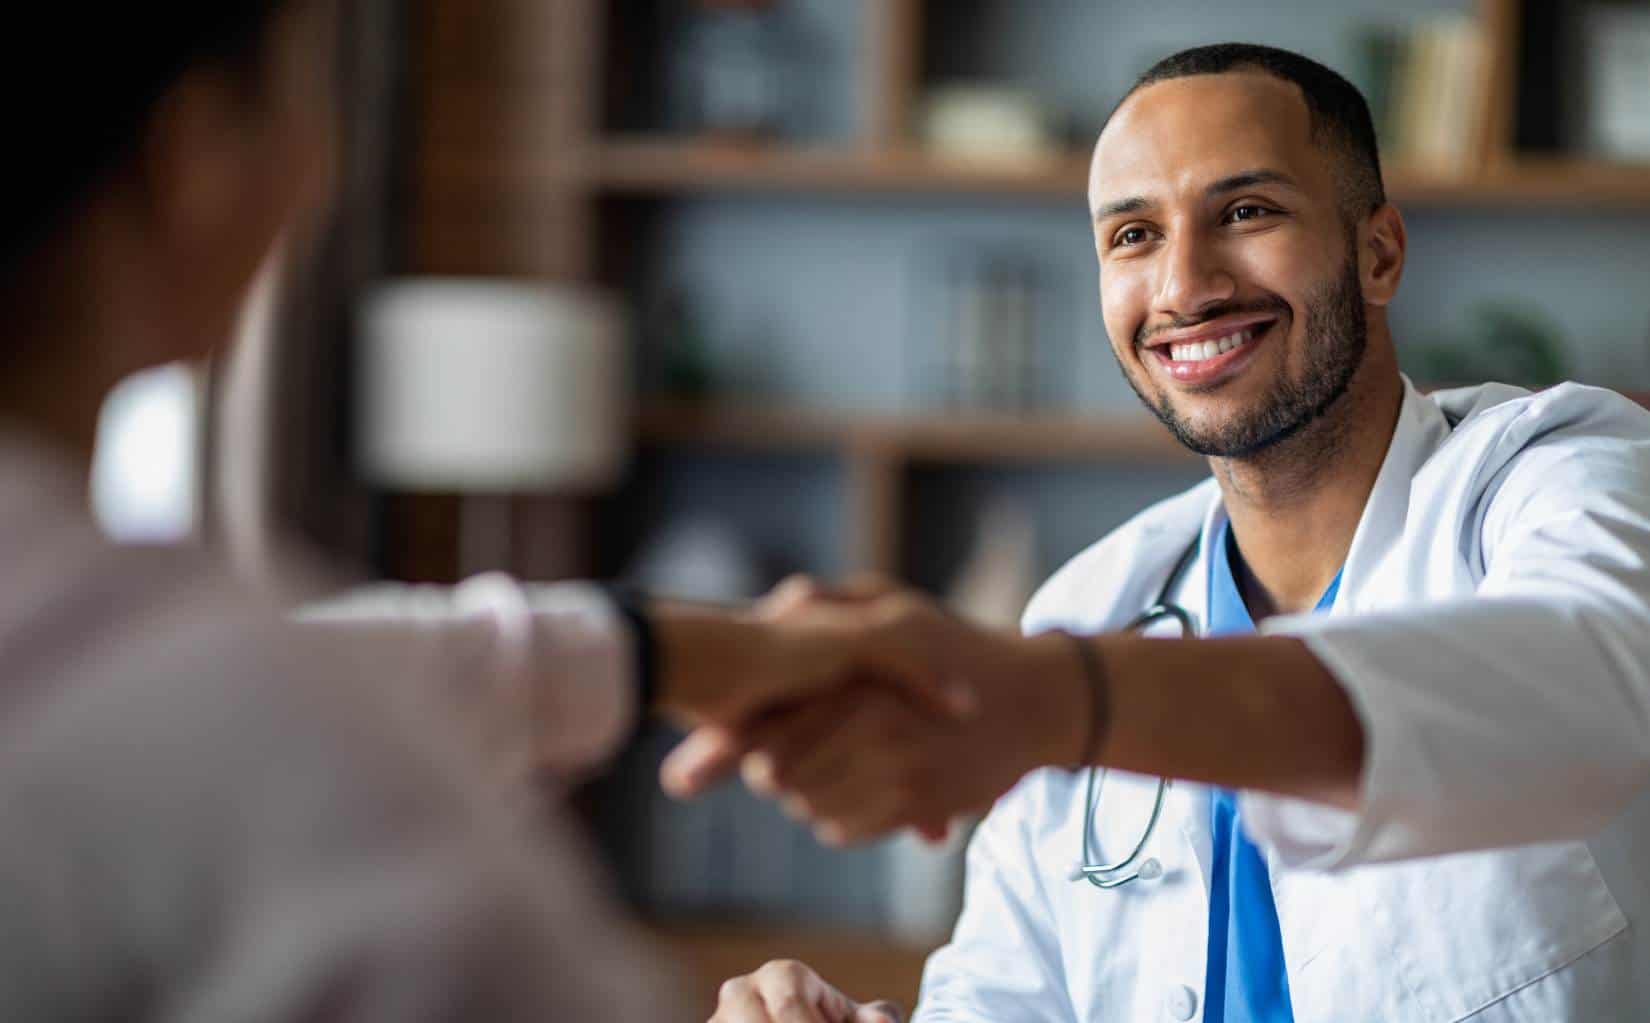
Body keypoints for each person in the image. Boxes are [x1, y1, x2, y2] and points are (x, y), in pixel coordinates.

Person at [0, 3, 973, 1019]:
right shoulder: (247, 733)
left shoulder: (174, 680)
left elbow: (357, 666)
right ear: (194, 158)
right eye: (312, 90)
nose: (325, 161)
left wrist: (688, 656)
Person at [683, 44, 1650, 1021]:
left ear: (1378, 252)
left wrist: (1067, 700)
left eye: (1245, 212)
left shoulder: (1558, 471)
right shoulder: (1090, 604)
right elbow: (1005, 995)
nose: (1183, 287)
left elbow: (1590, 690)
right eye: (1134, 235)